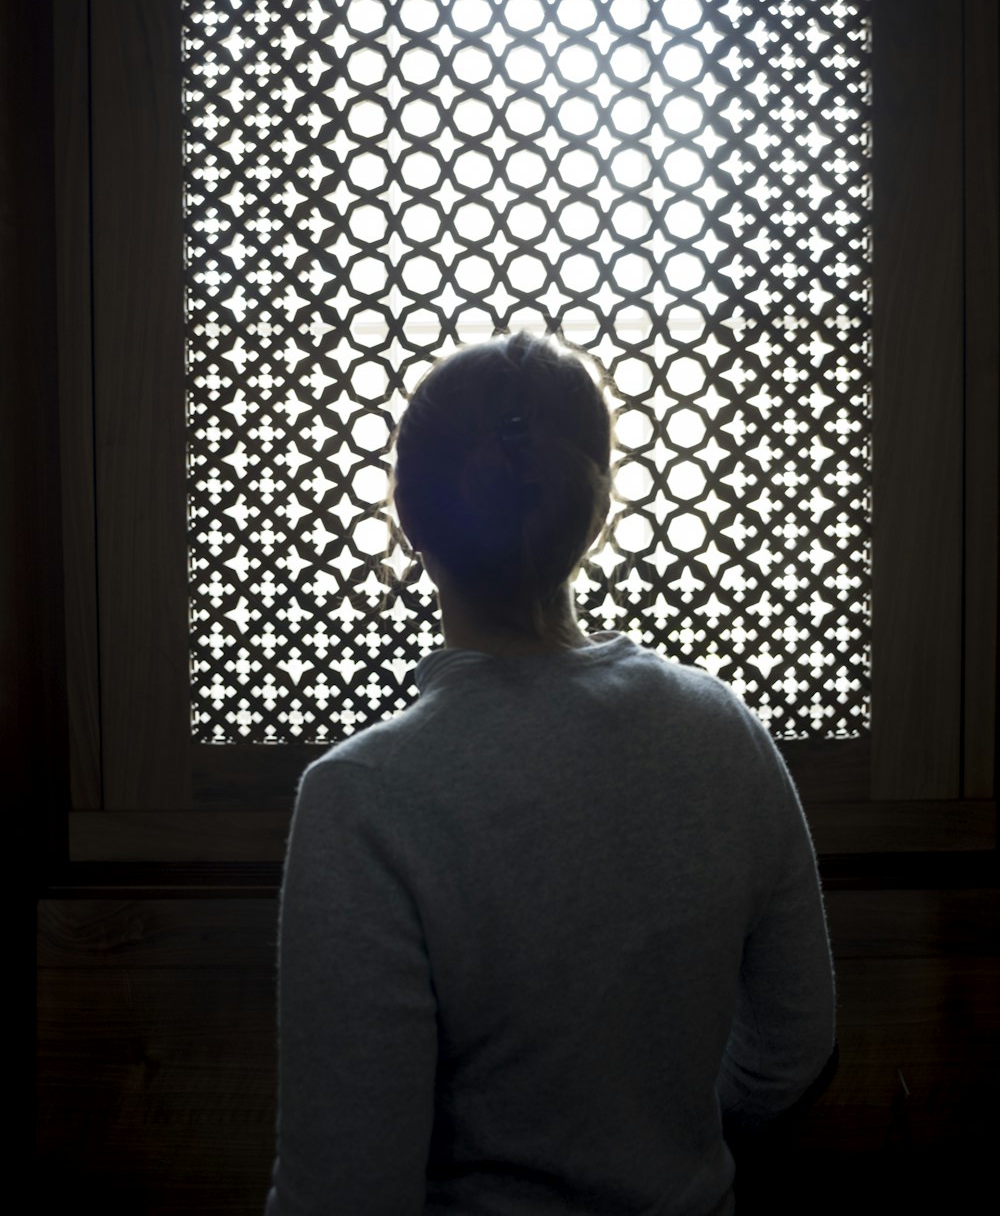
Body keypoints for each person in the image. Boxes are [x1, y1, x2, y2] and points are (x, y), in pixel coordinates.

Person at [265, 330, 836, 1216]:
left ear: (409, 520)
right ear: (595, 512)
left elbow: (344, 1188)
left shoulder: (366, 795)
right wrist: (660, 1154)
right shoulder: (722, 729)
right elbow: (795, 1045)